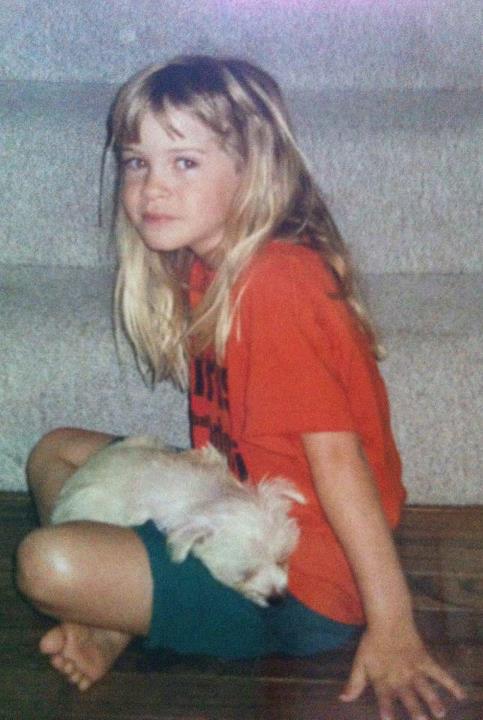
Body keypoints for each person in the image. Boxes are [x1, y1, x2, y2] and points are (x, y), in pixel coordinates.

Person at [16, 56, 466, 720]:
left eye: (184, 162)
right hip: (227, 500)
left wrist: (393, 624)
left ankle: (109, 608)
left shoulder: (276, 285)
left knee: (46, 564)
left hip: (301, 582)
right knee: (55, 451)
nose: (152, 188)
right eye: (137, 162)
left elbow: (339, 465)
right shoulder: (209, 267)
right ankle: (113, 614)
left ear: (252, 171)